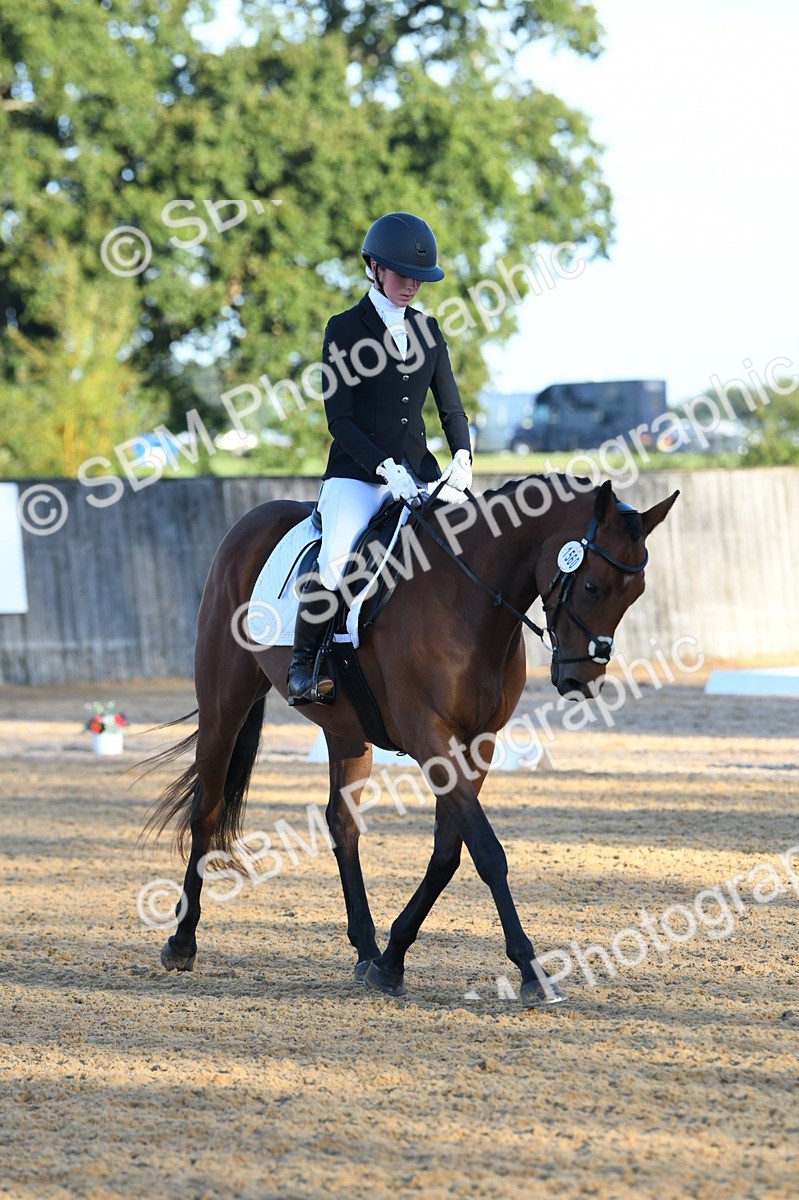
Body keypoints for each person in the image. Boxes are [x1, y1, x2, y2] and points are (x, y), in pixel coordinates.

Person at [287, 211, 474, 705]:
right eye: (401, 274)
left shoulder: (429, 331)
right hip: (358, 476)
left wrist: (463, 456)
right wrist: (382, 467)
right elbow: (339, 419)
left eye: (419, 278)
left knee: (474, 546)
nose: (411, 285)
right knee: (338, 559)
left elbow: (451, 407)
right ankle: (305, 666)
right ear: (373, 267)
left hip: (421, 474)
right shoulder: (344, 328)